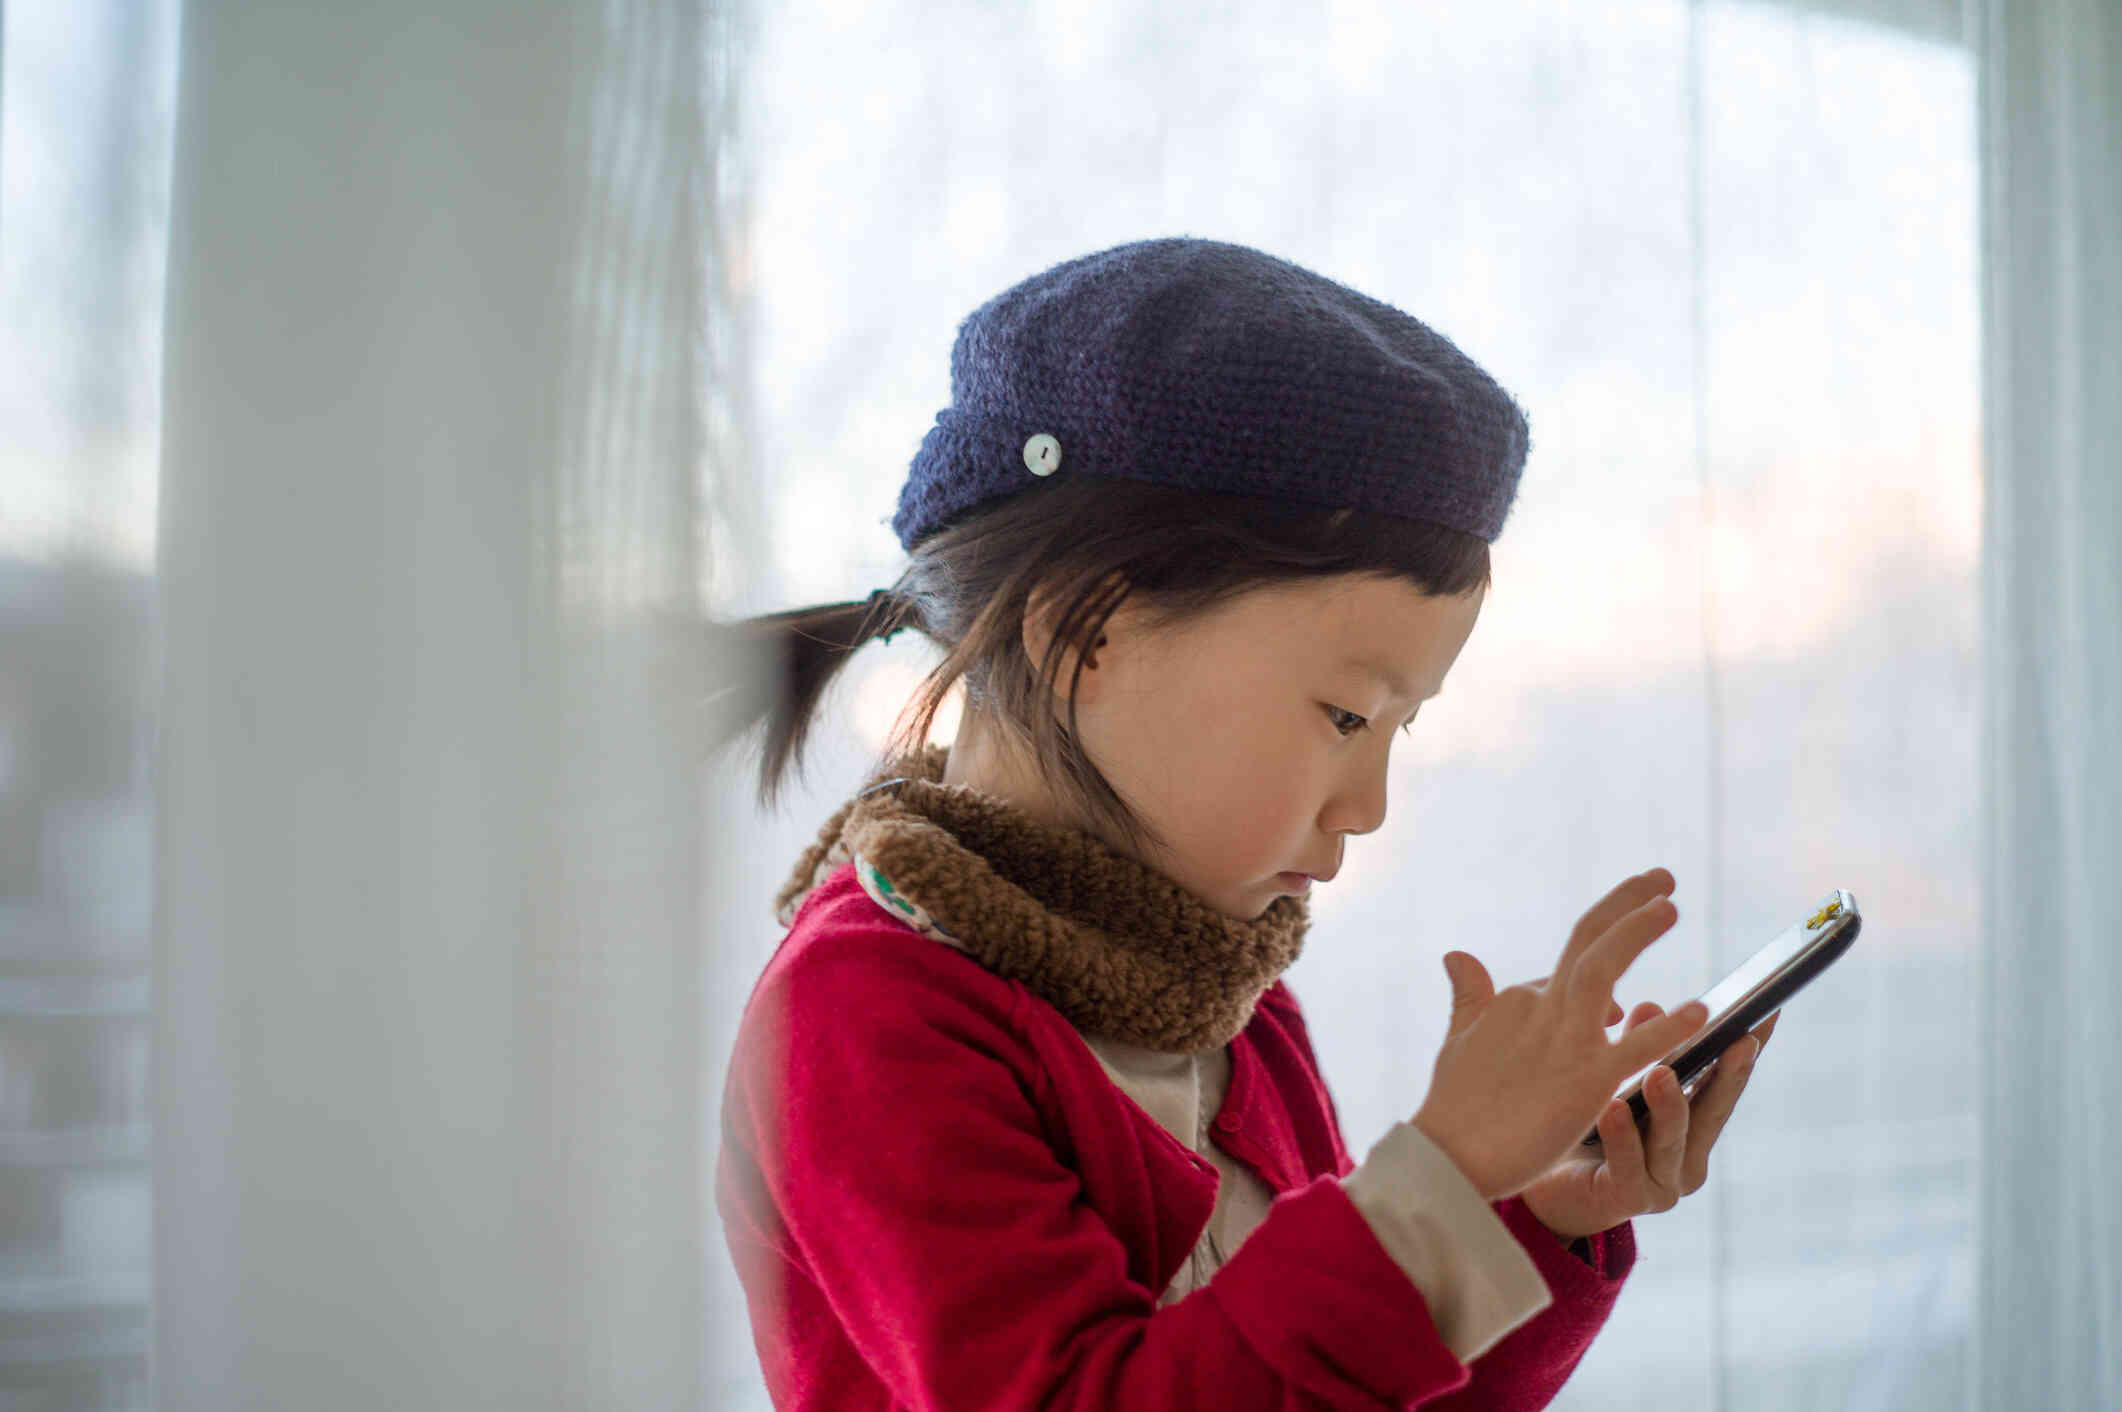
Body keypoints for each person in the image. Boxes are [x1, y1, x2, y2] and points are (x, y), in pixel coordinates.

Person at [711, 236, 1776, 1409]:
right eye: (1344, 713)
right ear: (1083, 636)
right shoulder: (868, 1014)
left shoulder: (1231, 1000)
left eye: (1396, 732)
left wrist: (1520, 1216)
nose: (1367, 805)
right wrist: (1438, 1184)